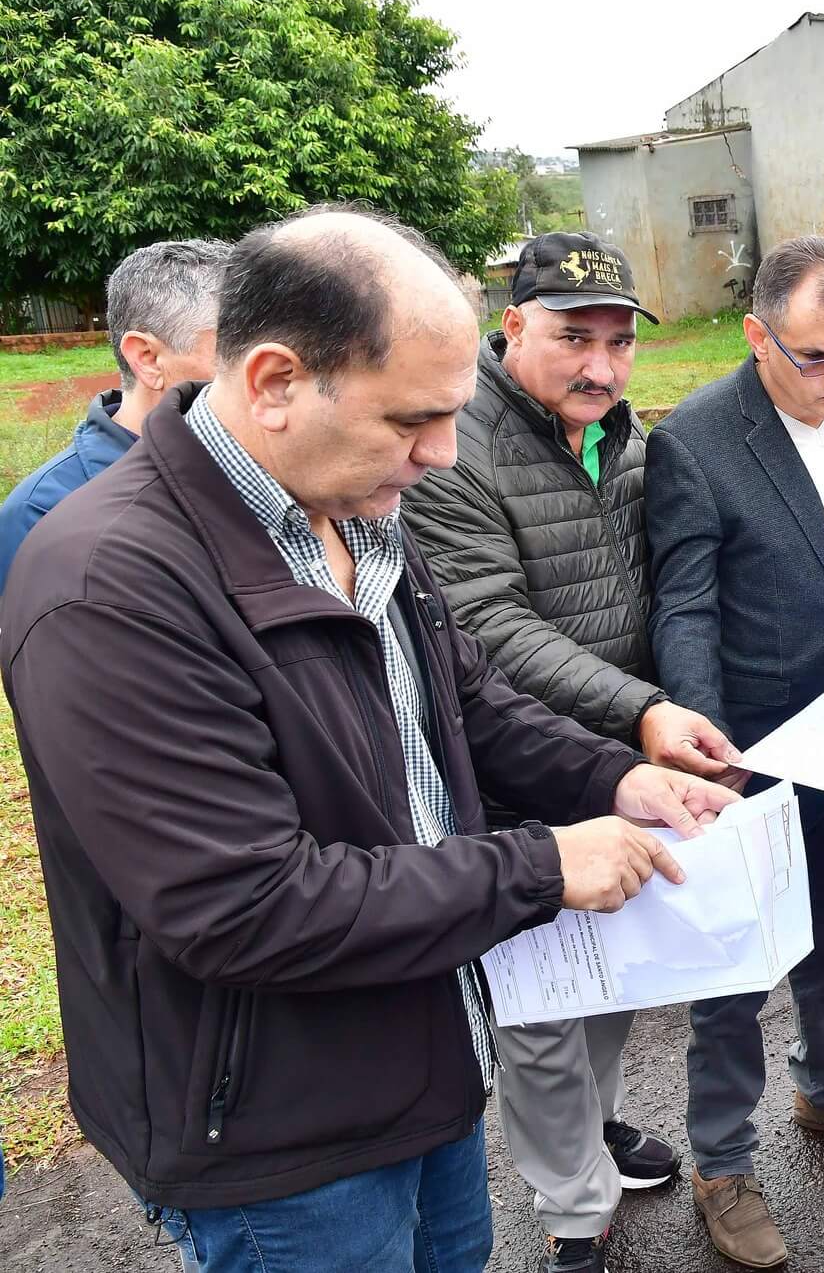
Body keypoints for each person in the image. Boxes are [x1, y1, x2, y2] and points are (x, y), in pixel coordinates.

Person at [0, 207, 739, 1273]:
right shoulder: (109, 584)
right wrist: (540, 866)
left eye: (451, 415)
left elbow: (464, 701)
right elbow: (243, 906)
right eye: (411, 420)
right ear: (275, 382)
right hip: (282, 1138)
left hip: (425, 1060)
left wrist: (617, 777)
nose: (442, 455)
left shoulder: (352, 501)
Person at [403, 232, 740, 1273]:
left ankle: (594, 1127)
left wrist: (667, 716)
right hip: (516, 770)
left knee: (614, 969)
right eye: (572, 339)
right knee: (541, 1009)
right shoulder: (459, 450)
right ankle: (574, 1211)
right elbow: (489, 628)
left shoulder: (625, 439)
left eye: (618, 342)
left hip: (620, 761)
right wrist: (643, 711)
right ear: (512, 327)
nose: (600, 366)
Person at [646, 235, 824, 1269]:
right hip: (749, 743)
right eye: (817, 357)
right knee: (735, 960)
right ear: (757, 337)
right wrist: (705, 741)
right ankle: (722, 1162)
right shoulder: (694, 440)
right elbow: (684, 605)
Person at [0, 238, 229, 594]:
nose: (266, 373)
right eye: (235, 349)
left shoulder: (269, 470)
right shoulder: (41, 512)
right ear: (148, 359)